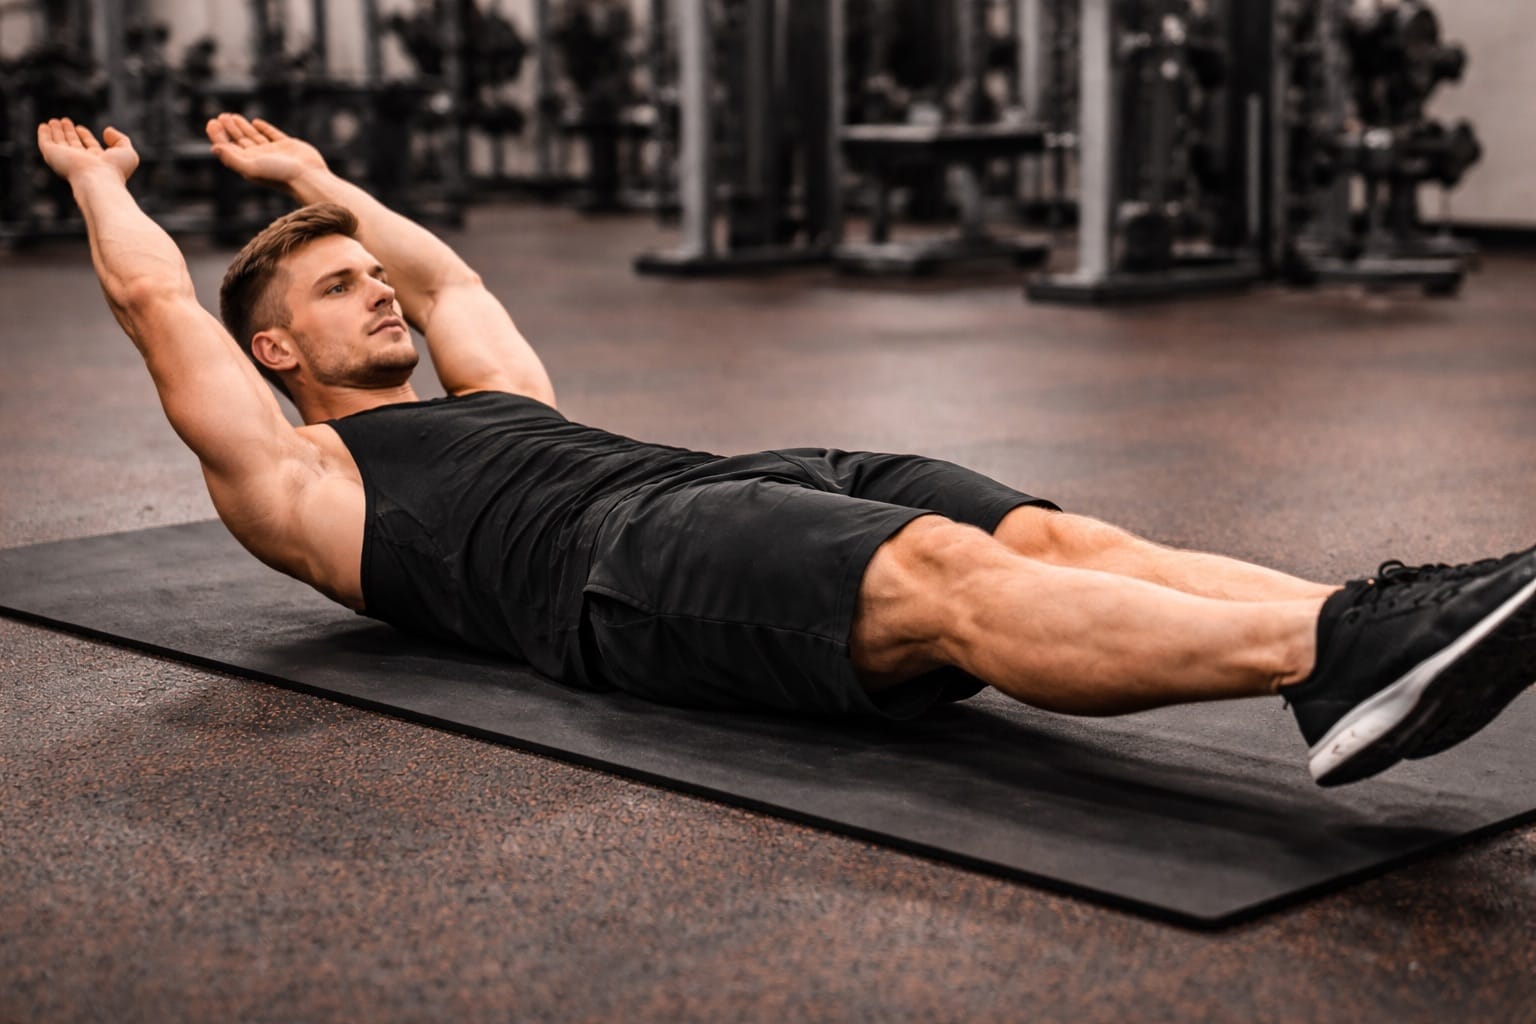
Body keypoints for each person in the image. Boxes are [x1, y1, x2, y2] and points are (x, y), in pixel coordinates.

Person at [36, 114, 1536, 789]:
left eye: (363, 271)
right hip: (621, 573)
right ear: (277, 354)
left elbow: (452, 286)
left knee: (1058, 539)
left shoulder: (492, 391)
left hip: (734, 472)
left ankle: (1396, 615)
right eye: (332, 285)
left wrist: (316, 182)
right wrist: (105, 185)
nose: (375, 288)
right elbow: (159, 302)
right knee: (946, 577)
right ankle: (1338, 652)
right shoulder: (306, 482)